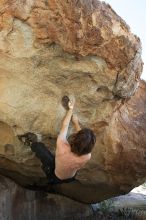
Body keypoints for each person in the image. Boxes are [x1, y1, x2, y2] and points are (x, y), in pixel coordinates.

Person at [19, 97, 96, 184]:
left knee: (40, 149)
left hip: (55, 175)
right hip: (70, 177)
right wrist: (76, 124)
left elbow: (65, 125)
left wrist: (70, 110)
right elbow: (83, 142)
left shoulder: (62, 145)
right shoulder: (87, 156)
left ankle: (30, 143)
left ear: (75, 138)